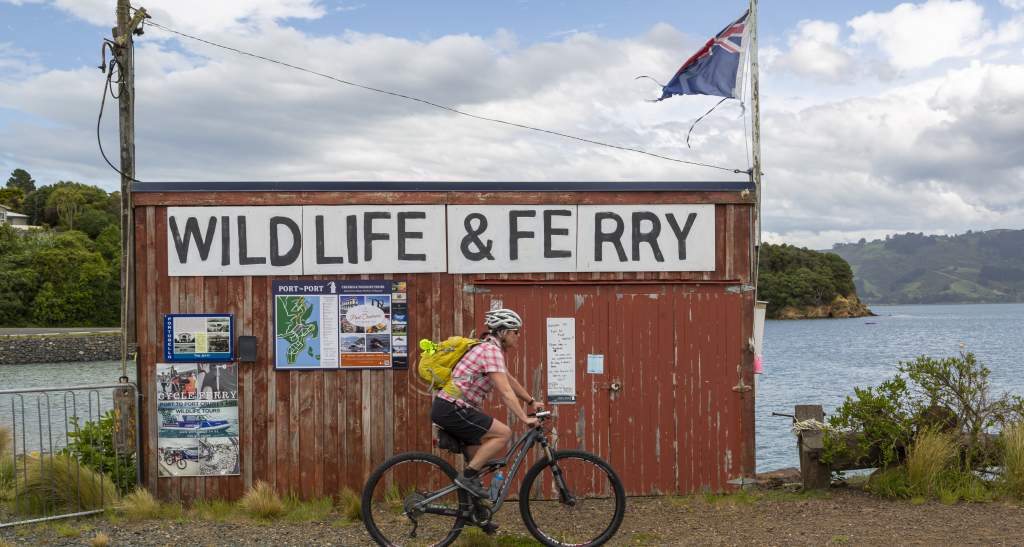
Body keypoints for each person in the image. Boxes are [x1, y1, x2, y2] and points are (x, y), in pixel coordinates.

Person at [429, 308, 541, 503]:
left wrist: (531, 401)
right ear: (504, 332)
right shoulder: (490, 351)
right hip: (452, 408)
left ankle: (477, 514)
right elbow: (505, 391)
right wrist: (524, 418)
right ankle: (467, 478)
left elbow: (509, 380)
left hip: (452, 408)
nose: (518, 336)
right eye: (516, 332)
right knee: (503, 433)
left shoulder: (488, 348)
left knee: (477, 462)